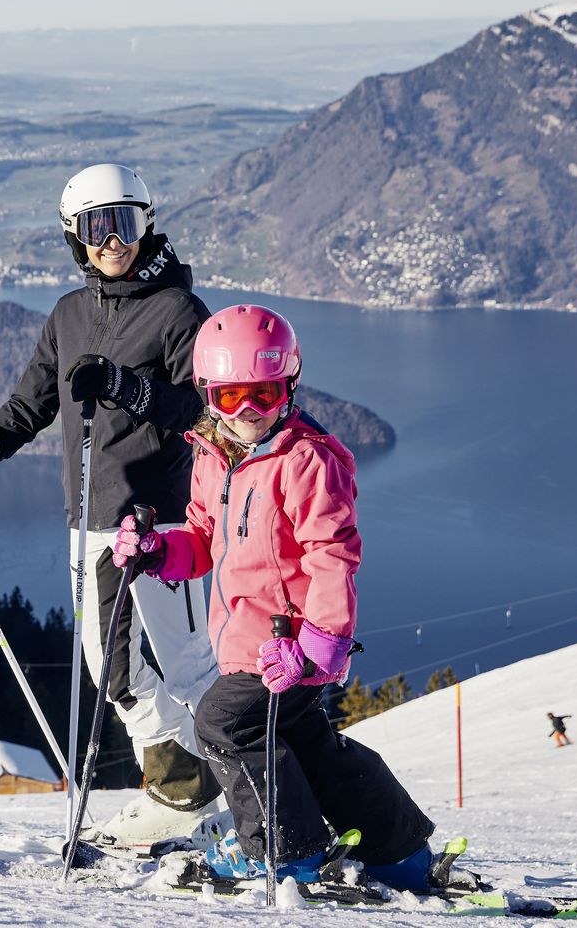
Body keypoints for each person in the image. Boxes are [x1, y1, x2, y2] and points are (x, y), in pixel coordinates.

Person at [0, 163, 221, 847]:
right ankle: (186, 788)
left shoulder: (177, 312)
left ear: (148, 223)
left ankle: (224, 793)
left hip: (161, 519)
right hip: (91, 524)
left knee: (186, 665)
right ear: (75, 237)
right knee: (114, 671)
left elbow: (207, 409)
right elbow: (26, 410)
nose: (114, 241)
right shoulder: (70, 316)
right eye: (97, 227)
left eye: (126, 223)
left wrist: (131, 391)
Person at [114, 304, 441, 891]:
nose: (248, 413)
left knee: (223, 724)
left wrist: (319, 644)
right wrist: (157, 552)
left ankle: (286, 853)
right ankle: (399, 852)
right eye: (232, 396)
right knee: (307, 745)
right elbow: (205, 540)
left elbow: (333, 556)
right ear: (207, 392)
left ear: (288, 386)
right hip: (248, 645)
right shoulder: (214, 456)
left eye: (264, 395)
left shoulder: (306, 460)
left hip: (293, 647)